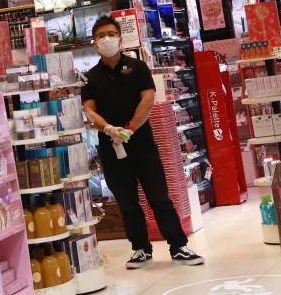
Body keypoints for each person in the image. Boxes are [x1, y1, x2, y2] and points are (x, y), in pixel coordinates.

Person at [82, 15, 204, 268]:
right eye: (101, 35)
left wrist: (131, 128)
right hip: (111, 147)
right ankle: (140, 249)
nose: (106, 39)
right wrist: (108, 129)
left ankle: (179, 245)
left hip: (143, 144)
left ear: (120, 37)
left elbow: (148, 99)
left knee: (159, 197)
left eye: (110, 34)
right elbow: (89, 110)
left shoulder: (137, 68)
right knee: (127, 203)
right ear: (94, 42)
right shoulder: (90, 77)